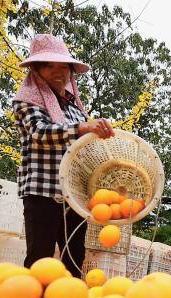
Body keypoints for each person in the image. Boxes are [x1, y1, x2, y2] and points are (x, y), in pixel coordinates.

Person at [13, 34, 114, 276]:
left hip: (73, 195)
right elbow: (40, 132)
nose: (59, 72)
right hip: (42, 191)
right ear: (37, 70)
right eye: (50, 66)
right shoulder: (27, 101)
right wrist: (83, 128)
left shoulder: (73, 106)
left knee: (75, 257)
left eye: (64, 67)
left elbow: (83, 145)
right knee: (40, 258)